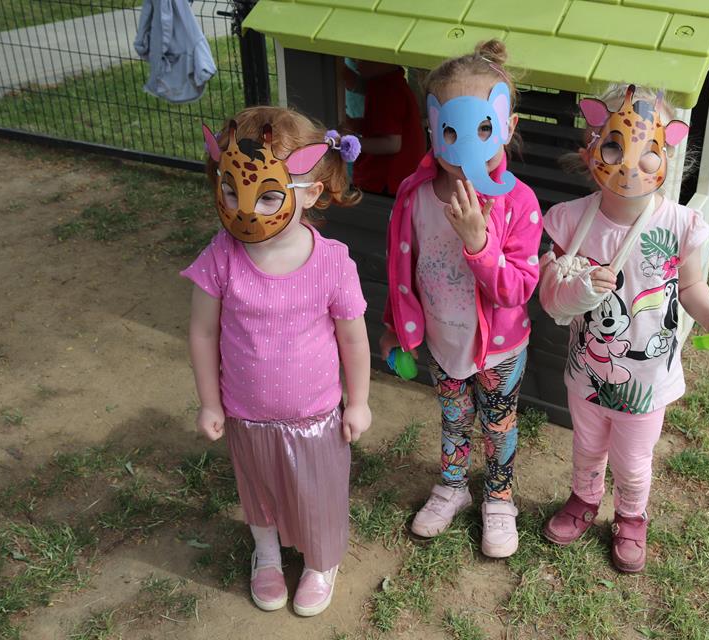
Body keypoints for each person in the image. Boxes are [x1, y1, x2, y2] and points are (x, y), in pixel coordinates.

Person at [538, 85, 709, 573]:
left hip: (648, 382)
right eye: (614, 145)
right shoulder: (570, 221)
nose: (630, 163)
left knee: (632, 460)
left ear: (668, 151)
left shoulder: (678, 224)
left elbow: (691, 285)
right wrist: (577, 286)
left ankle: (631, 516)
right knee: (587, 447)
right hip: (587, 373)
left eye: (649, 148)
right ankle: (584, 499)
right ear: (590, 149)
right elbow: (549, 292)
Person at [182, 106, 370, 616]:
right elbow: (202, 331)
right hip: (246, 415)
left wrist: (359, 402)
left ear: (310, 192)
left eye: (267, 195)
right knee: (259, 490)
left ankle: (321, 562)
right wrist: (210, 402)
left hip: (316, 419)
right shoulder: (222, 255)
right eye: (231, 192)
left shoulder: (332, 262)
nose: (246, 209)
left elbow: (353, 339)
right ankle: (265, 553)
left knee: (317, 494)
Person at [379, 40, 542, 558]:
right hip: (442, 341)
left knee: (497, 424)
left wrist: (478, 242)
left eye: (482, 129)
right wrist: (394, 325)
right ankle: (453, 485)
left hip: (499, 349)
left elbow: (519, 288)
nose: (463, 143)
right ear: (433, 127)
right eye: (449, 131)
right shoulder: (414, 195)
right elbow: (400, 270)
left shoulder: (519, 202)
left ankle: (499, 496)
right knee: (453, 418)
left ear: (508, 126)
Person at [352, 61, 426, 196]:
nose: (356, 62)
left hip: (387, 180)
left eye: (362, 58)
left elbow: (392, 144)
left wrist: (349, 143)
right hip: (400, 178)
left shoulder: (387, 90)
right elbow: (379, 126)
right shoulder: (393, 83)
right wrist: (352, 124)